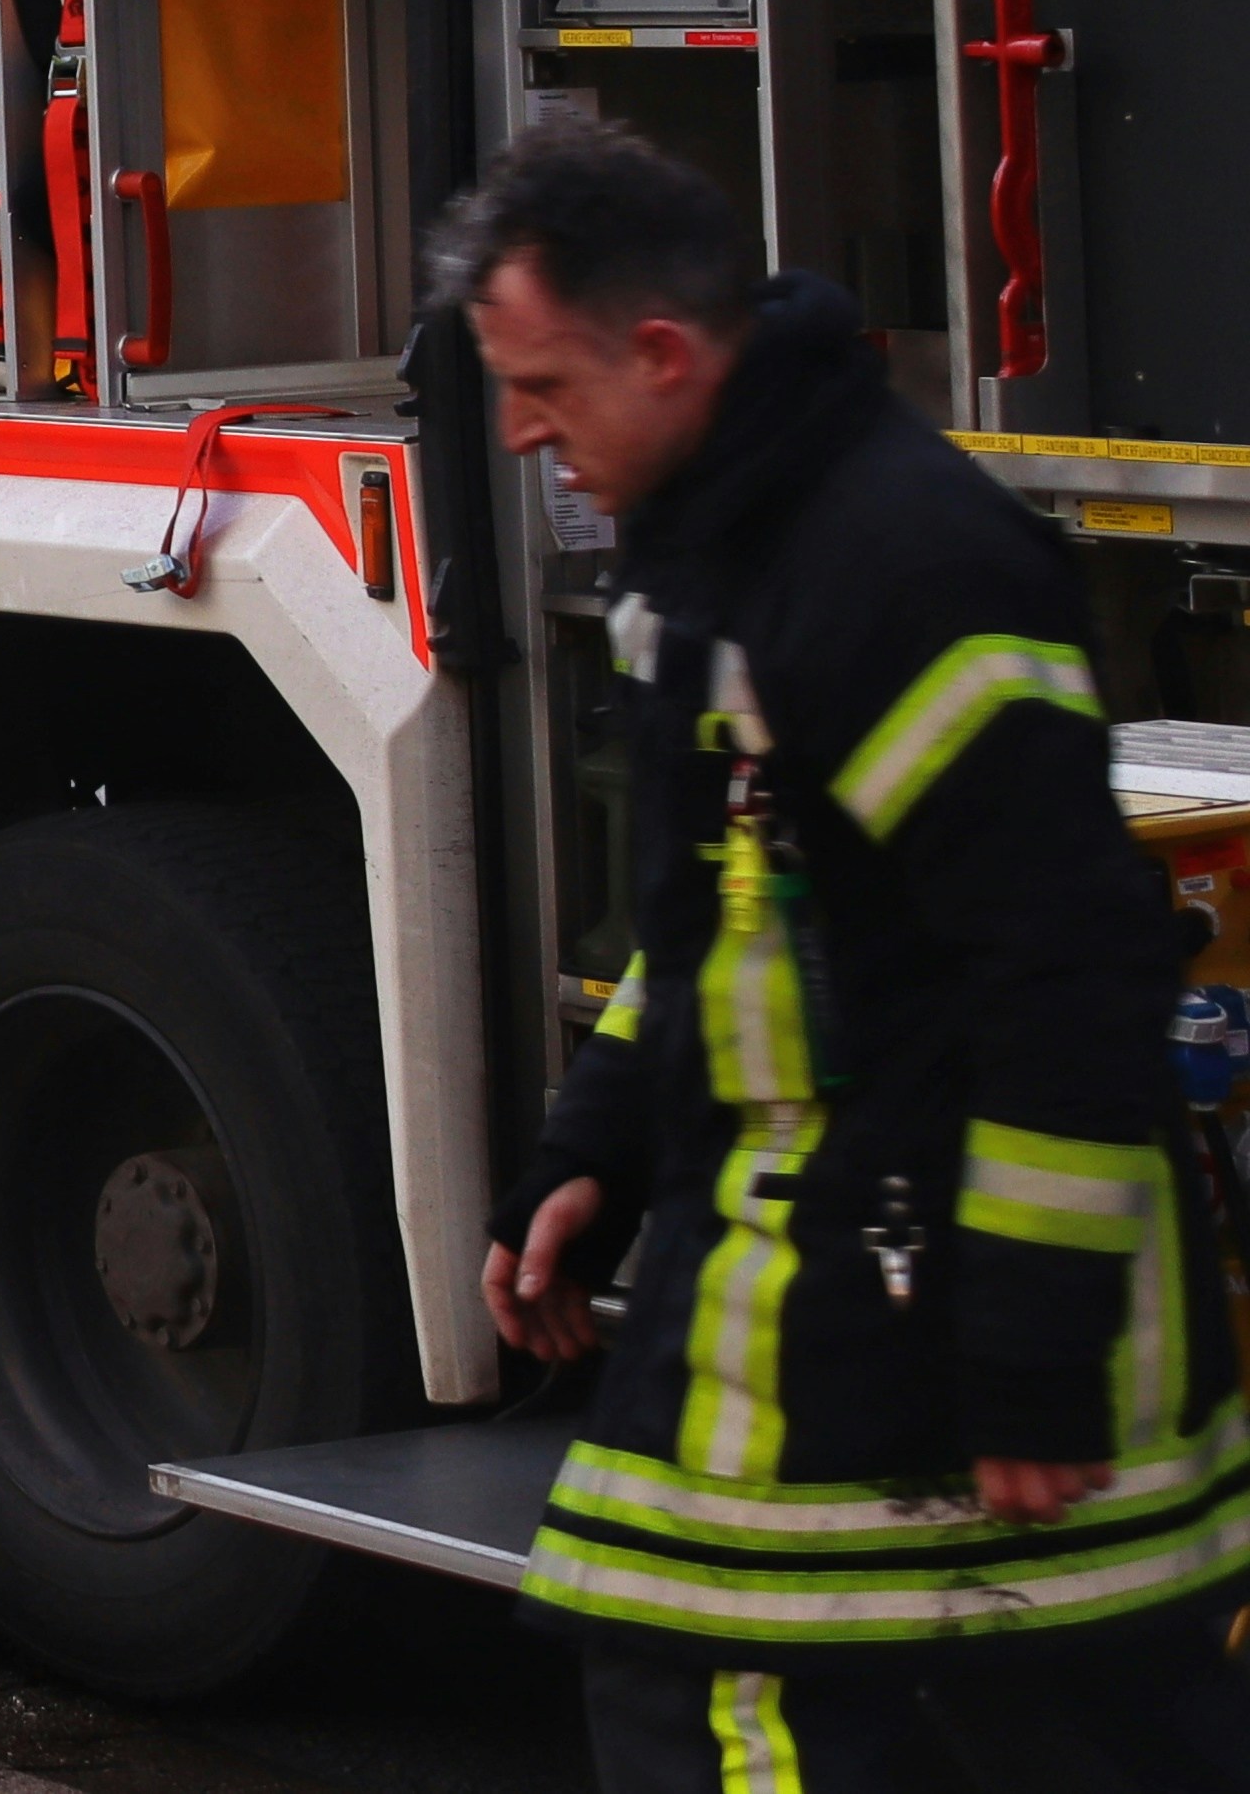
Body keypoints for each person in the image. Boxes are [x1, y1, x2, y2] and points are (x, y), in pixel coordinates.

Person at [447, 120, 1250, 1785]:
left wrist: (1026, 1354)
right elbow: (735, 906)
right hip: (854, 1286)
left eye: (544, 386)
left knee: (725, 1701)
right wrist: (590, 1145)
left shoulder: (900, 572)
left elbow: (1072, 970)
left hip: (938, 1319)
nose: (524, 431)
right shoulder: (729, 535)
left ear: (663, 351)